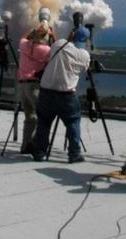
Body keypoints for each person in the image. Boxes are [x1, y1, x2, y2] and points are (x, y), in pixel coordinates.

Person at [29, 25, 91, 162]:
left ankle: (39, 152)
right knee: (72, 122)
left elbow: (57, 45)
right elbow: (84, 69)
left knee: (43, 122)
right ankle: (74, 154)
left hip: (46, 91)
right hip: (66, 94)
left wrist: (68, 37)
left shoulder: (59, 44)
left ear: (72, 35)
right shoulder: (84, 55)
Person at [17, 21, 54, 153]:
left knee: (29, 117)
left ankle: (25, 145)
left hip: (22, 86)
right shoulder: (47, 50)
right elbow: (56, 51)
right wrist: (52, 35)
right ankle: (37, 146)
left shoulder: (24, 45)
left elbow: (23, 38)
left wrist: (33, 31)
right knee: (43, 116)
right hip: (35, 86)